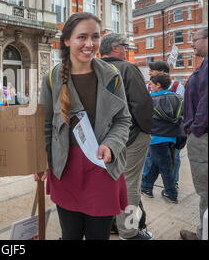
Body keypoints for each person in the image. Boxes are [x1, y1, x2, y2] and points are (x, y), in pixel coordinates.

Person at [38, 12, 131, 240]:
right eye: (82, 37)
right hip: (65, 168)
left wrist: (111, 144)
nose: (90, 44)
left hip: (102, 168)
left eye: (95, 37)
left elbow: (123, 120)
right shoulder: (51, 79)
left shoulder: (113, 76)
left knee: (98, 236)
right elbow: (45, 127)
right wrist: (41, 161)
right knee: (70, 235)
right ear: (67, 40)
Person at [100, 33, 154, 240]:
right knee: (130, 184)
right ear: (115, 48)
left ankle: (110, 224)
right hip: (130, 137)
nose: (126, 50)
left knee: (108, 182)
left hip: (102, 140)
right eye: (124, 46)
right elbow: (142, 104)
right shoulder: (127, 68)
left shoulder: (92, 68)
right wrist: (147, 130)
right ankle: (129, 232)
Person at [180, 27, 208, 240]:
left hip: (203, 136)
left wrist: (196, 128)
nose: (192, 44)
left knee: (206, 190)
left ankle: (203, 234)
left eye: (195, 39)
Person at [141, 73, 185, 204]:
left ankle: (171, 193)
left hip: (155, 137)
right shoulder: (178, 98)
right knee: (158, 163)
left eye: (152, 83)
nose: (150, 85)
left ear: (158, 85)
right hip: (173, 136)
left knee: (165, 166)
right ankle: (146, 186)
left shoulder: (149, 100)